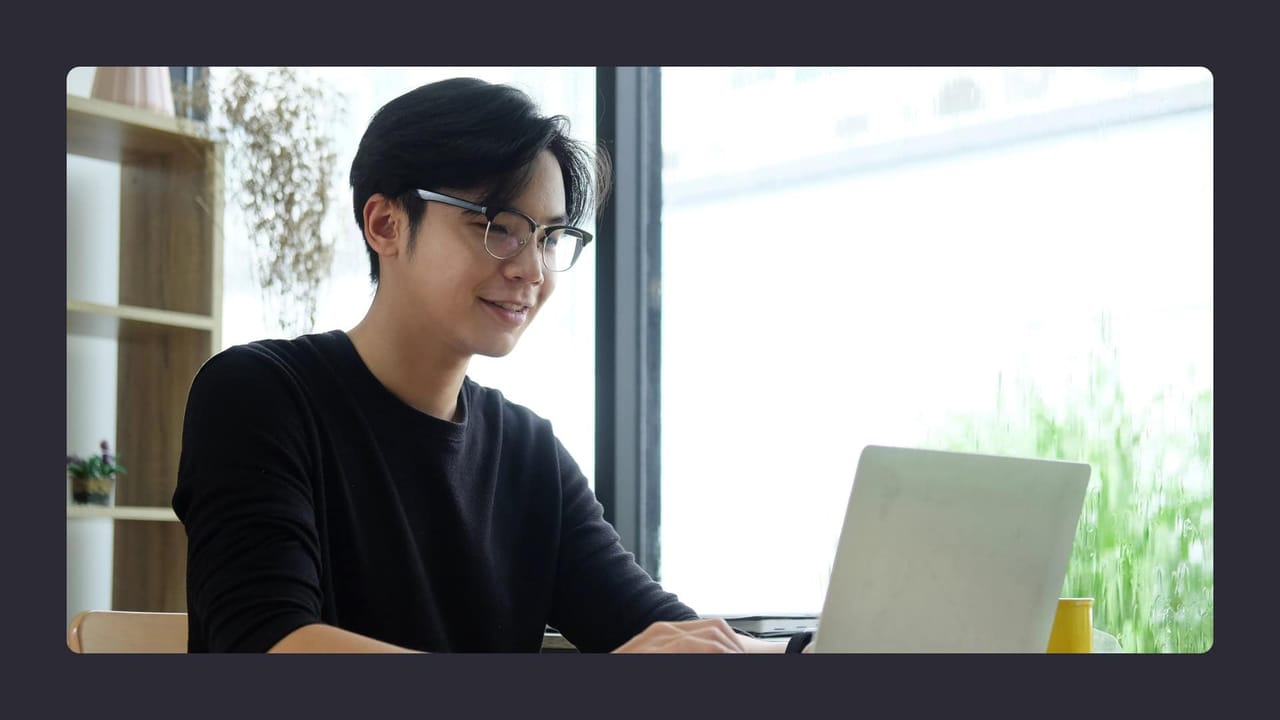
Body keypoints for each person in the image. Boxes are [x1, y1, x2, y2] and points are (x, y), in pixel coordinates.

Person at [171, 76, 789, 654]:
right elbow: (269, 644)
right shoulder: (256, 396)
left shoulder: (527, 452)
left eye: (548, 237)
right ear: (385, 224)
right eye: (497, 226)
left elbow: (658, 630)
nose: (531, 270)